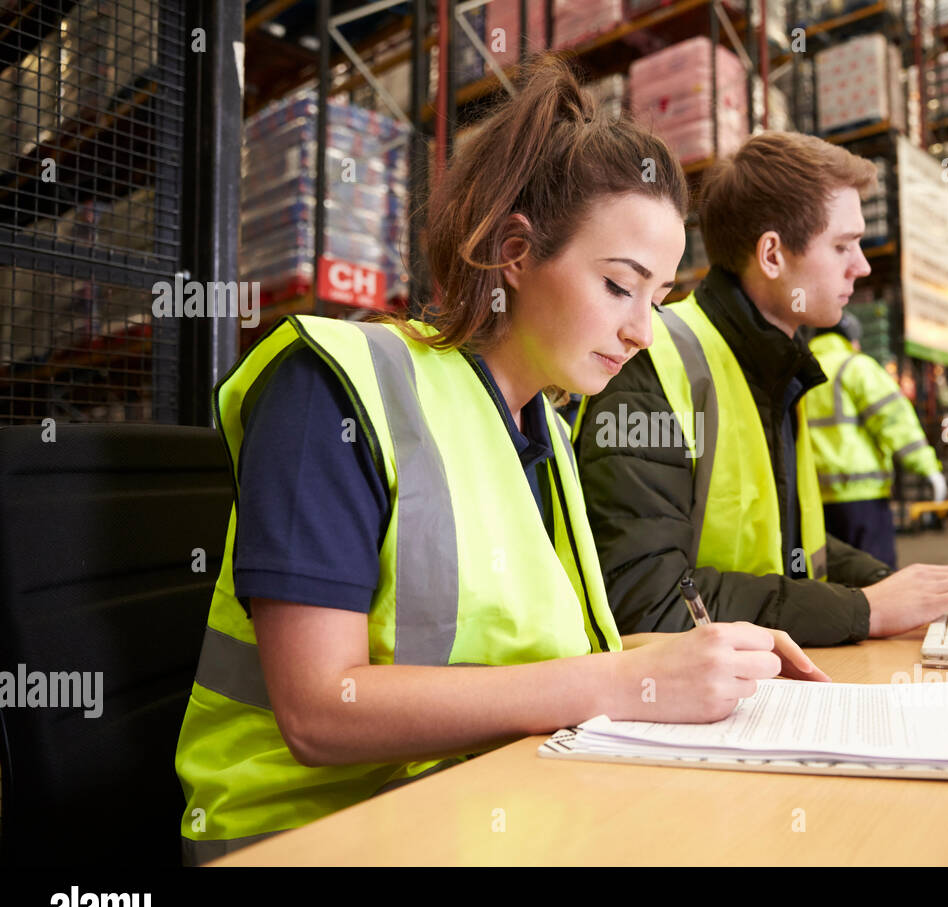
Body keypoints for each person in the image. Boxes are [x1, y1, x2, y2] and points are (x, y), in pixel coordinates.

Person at [174, 57, 827, 865]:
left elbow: (539, 659)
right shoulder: (336, 387)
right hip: (308, 837)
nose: (641, 332)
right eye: (620, 287)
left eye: (657, 299)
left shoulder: (544, 432)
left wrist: (699, 657)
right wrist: (620, 683)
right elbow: (318, 709)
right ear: (515, 253)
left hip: (481, 806)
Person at [575, 131, 948, 648]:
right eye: (843, 245)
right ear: (773, 255)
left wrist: (896, 585)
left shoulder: (776, 368)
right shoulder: (651, 363)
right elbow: (649, 602)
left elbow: (793, 552)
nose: (861, 265)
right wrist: (863, 609)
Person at [805, 312, 946, 569]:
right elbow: (893, 419)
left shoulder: (799, 370)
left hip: (813, 499)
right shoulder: (855, 366)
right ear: (851, 340)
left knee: (830, 579)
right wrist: (928, 468)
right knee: (874, 574)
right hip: (862, 496)